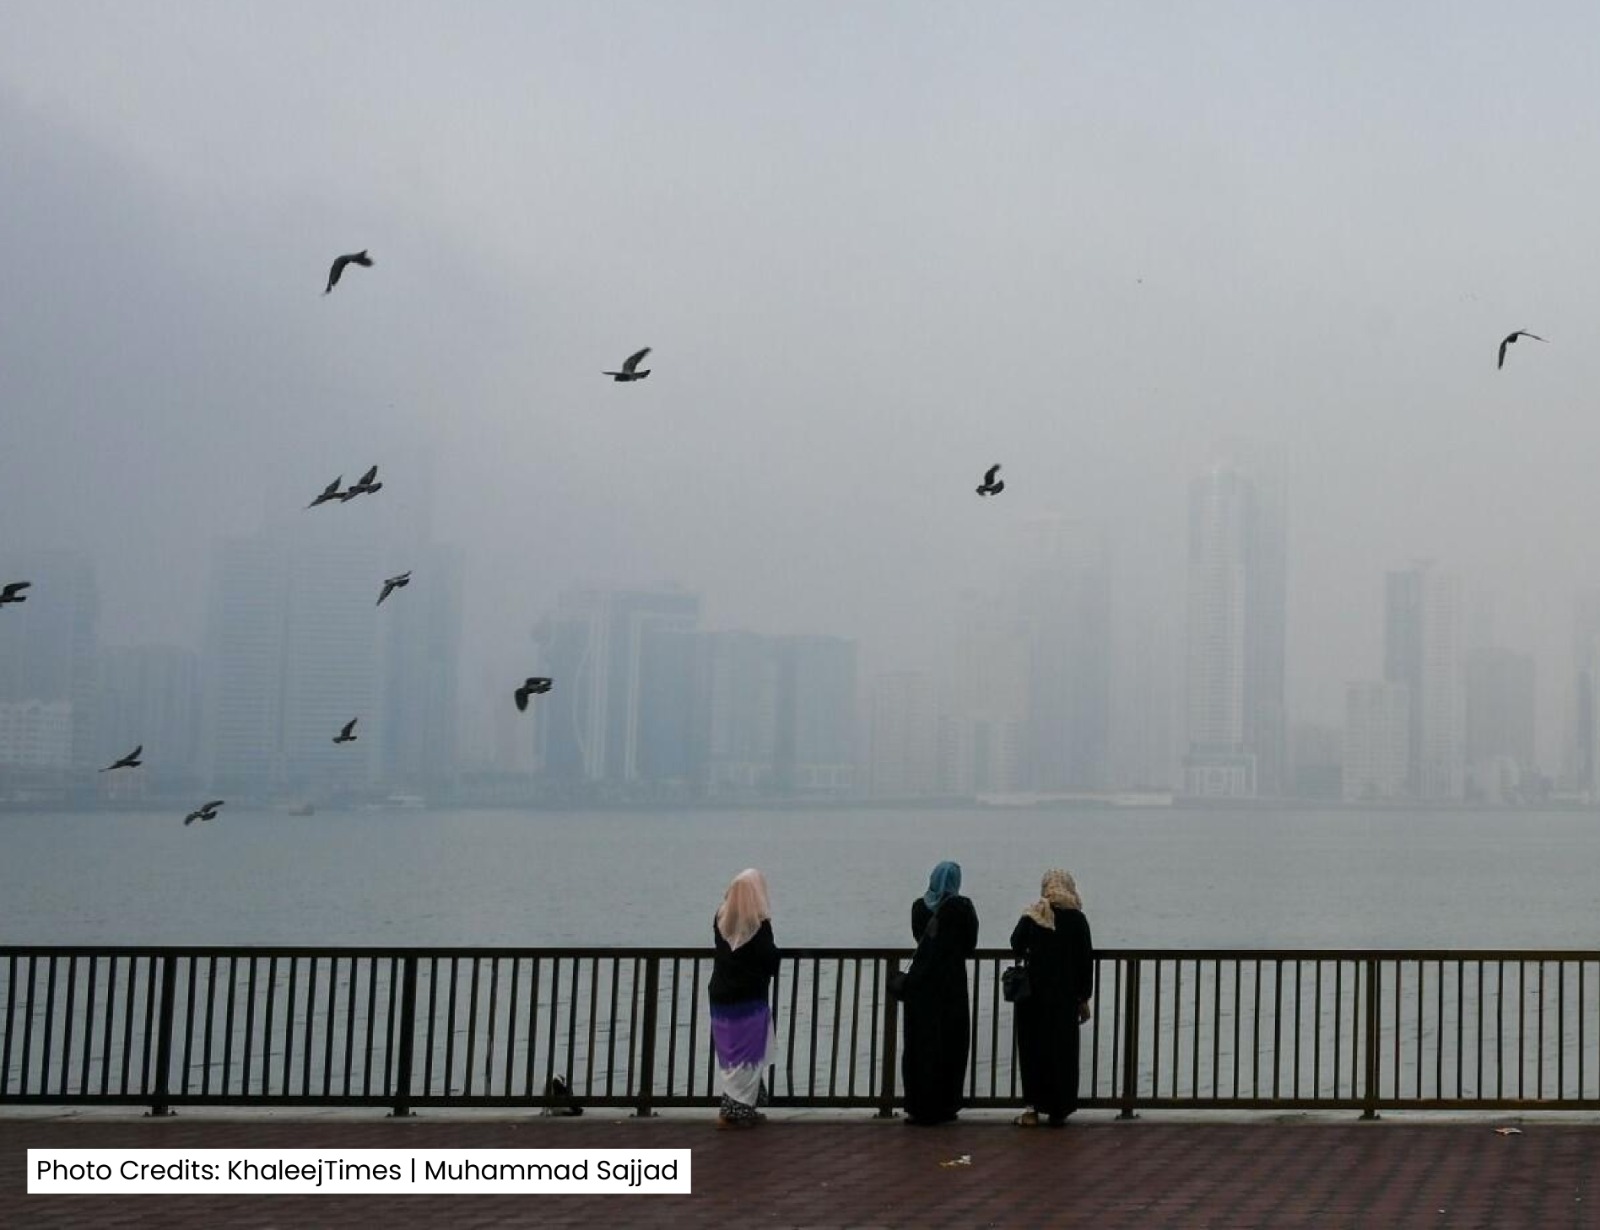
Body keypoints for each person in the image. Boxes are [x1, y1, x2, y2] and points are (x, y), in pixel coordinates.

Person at [1009, 868, 1094, 1127]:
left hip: (1032, 997)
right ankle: (1060, 1107)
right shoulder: (1077, 920)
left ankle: (1032, 1109)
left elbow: (1015, 942)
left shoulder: (1036, 914)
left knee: (1033, 1050)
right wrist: (1083, 998)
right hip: (1064, 999)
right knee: (1062, 1052)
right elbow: (1084, 962)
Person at [899, 860, 979, 1125]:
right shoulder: (963, 907)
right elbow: (969, 945)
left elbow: (917, 937)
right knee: (950, 1044)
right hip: (951, 985)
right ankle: (946, 1105)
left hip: (920, 985)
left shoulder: (918, 906)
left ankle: (917, 1105)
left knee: (919, 1045)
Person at [709, 868, 780, 1129]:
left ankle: (743, 1108)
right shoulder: (759, 925)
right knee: (749, 1054)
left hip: (720, 994)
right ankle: (734, 1110)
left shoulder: (721, 918)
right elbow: (769, 959)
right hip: (749, 998)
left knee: (731, 1055)